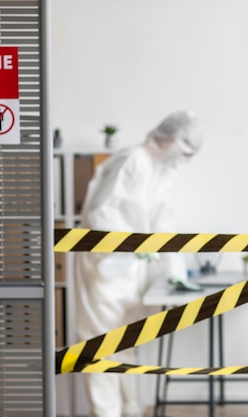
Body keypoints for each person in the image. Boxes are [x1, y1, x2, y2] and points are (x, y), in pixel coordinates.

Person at [74, 110, 204, 417]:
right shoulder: (131, 160)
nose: (185, 160)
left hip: (131, 269)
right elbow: (101, 212)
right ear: (172, 139)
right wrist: (133, 243)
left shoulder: (162, 171)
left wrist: (176, 271)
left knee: (126, 345)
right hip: (104, 267)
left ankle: (130, 411)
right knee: (100, 348)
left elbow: (163, 221)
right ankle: (106, 413)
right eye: (185, 152)